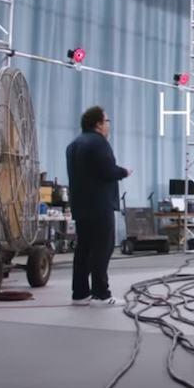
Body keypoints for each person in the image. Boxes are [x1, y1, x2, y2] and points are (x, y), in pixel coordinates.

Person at [66, 106, 131, 307]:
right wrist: (124, 172)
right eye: (107, 121)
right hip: (100, 205)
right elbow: (108, 171)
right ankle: (101, 294)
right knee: (102, 250)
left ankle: (80, 293)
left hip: (81, 205)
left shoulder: (73, 145)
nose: (108, 125)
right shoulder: (99, 143)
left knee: (83, 250)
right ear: (98, 124)